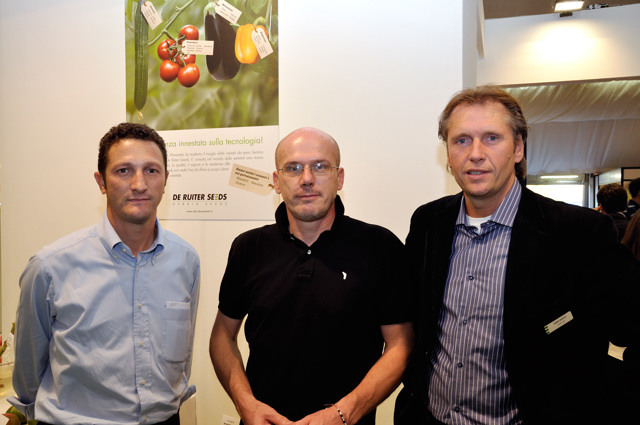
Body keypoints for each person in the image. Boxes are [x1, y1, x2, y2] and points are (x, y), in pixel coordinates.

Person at [394, 86, 640, 425]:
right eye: (461, 140)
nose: (475, 154)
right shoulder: (428, 222)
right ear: (448, 154)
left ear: (518, 148)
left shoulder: (579, 232)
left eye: (492, 138)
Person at [209, 127, 413, 425]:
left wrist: (343, 414)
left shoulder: (380, 246)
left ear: (339, 178)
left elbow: (400, 346)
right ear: (276, 181)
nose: (306, 179)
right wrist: (246, 405)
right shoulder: (248, 247)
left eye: (320, 166)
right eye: (293, 168)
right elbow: (222, 336)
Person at [10, 123, 200, 425]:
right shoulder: (50, 266)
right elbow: (28, 373)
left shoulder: (185, 260)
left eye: (151, 170)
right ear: (101, 182)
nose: (139, 184)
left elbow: (183, 357)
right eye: (124, 171)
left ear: (165, 180)